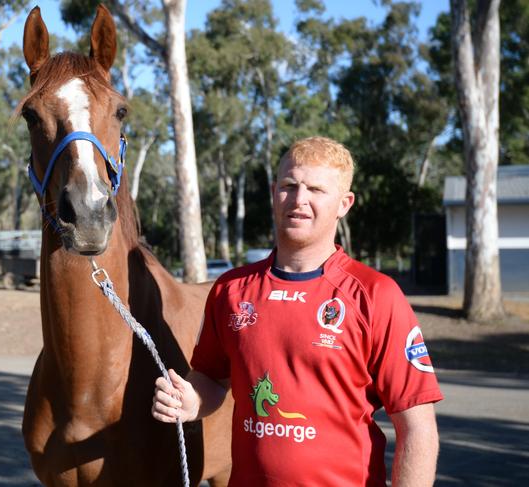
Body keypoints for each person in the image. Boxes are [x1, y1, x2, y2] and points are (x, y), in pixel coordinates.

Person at [152, 136, 442, 486]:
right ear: (275, 192)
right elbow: (212, 380)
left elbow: (418, 428)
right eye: (289, 185)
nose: (299, 199)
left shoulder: (375, 295)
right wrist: (190, 400)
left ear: (344, 203)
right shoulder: (230, 290)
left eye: (316, 190)